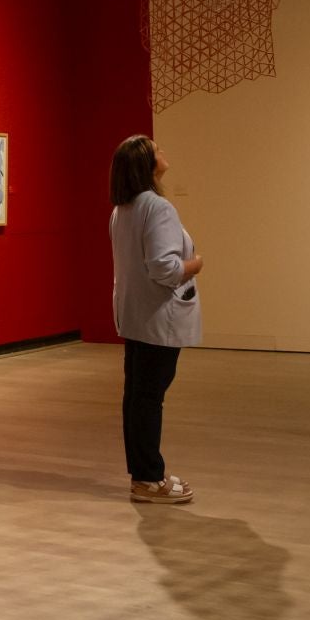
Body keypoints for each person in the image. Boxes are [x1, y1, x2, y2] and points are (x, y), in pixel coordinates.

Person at [109, 135, 203, 504]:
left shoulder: (123, 209)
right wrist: (195, 264)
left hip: (135, 314)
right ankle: (149, 477)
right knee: (148, 398)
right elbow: (164, 268)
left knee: (137, 397)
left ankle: (143, 474)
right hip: (156, 317)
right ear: (146, 164)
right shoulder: (157, 208)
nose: (163, 152)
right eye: (156, 149)